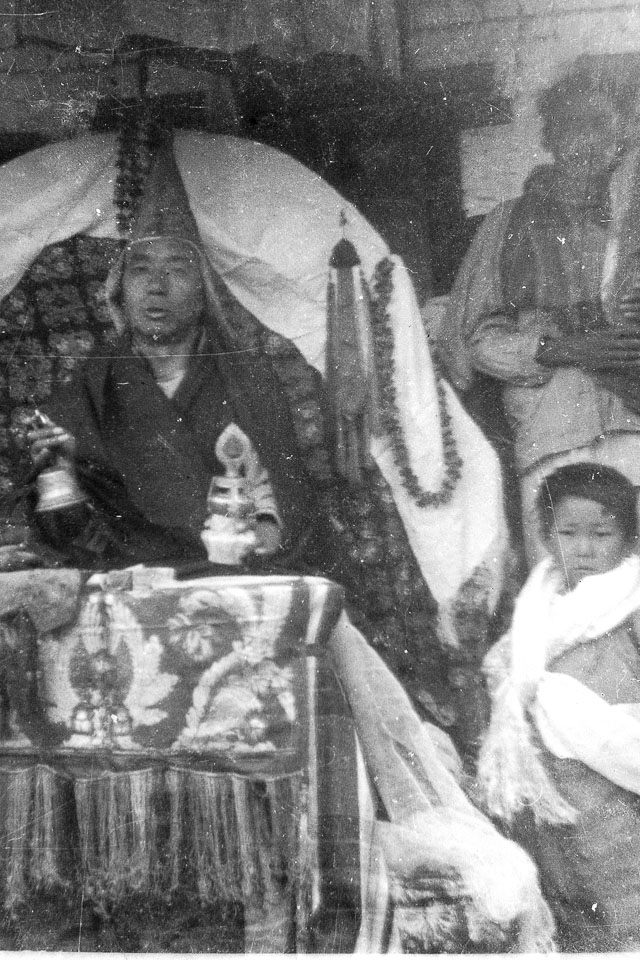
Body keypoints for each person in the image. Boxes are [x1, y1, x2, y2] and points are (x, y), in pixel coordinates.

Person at [25, 138, 326, 575]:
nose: (156, 285)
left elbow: (282, 508)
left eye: (177, 269)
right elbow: (63, 533)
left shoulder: (245, 378)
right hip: (131, 580)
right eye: (141, 269)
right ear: (120, 291)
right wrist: (66, 469)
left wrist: (260, 534)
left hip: (231, 576)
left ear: (204, 292)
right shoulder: (92, 389)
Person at [438, 66, 640, 565]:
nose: (587, 143)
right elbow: (473, 338)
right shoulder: (508, 222)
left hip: (633, 426)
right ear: (550, 137)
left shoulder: (633, 221)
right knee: (558, 578)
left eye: (600, 126)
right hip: (551, 431)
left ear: (620, 136)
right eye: (573, 126)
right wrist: (563, 348)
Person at [478, 461, 640, 951]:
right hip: (555, 773)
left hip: (616, 765)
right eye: (568, 533)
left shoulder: (630, 599)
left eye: (601, 534)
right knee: (569, 880)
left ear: (628, 539)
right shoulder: (539, 601)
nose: (584, 548)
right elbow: (509, 666)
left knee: (623, 877)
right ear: (547, 537)